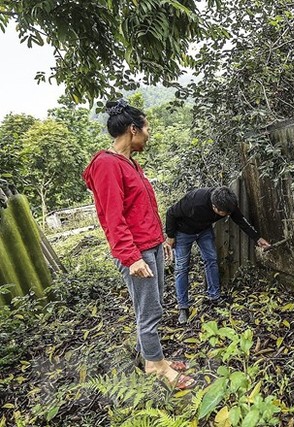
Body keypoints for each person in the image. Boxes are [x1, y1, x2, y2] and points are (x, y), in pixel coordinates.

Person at [82, 99, 194, 390]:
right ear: (133, 129)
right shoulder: (106, 165)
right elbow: (112, 217)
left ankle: (156, 358)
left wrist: (160, 240)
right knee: (149, 311)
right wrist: (131, 257)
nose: (149, 135)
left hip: (150, 245)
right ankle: (154, 367)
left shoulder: (130, 163)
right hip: (136, 252)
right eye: (147, 129)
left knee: (154, 306)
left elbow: (142, 209)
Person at [164, 186, 271, 323]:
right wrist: (171, 237)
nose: (227, 215)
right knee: (182, 267)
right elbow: (171, 213)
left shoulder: (227, 203)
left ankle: (214, 296)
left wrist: (257, 238)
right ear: (215, 207)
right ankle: (183, 307)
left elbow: (240, 220)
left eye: (228, 212)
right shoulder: (195, 200)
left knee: (211, 260)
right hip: (184, 232)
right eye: (224, 213)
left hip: (204, 231)